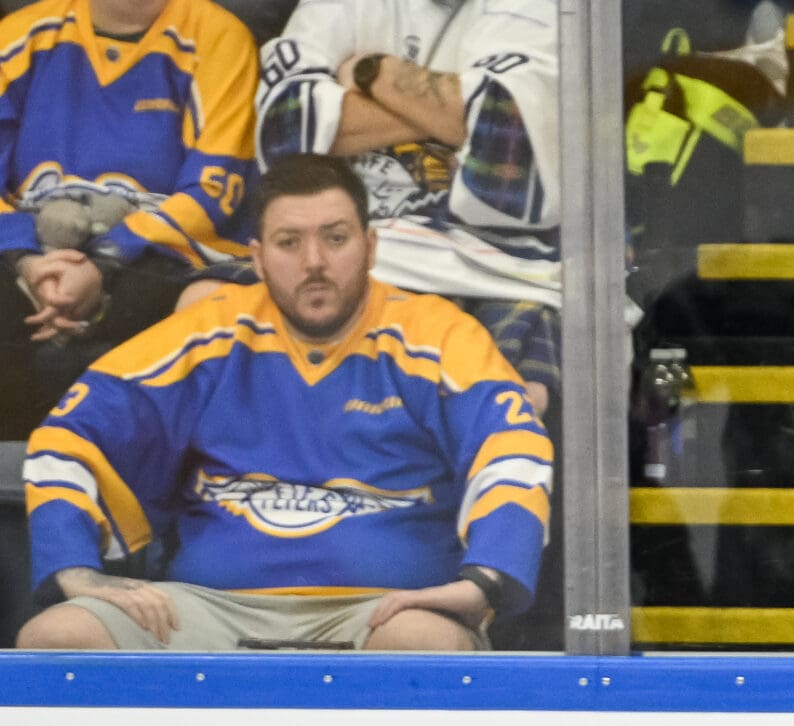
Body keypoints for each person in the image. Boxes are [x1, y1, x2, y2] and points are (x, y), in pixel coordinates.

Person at [20, 153, 552, 651]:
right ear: (257, 256)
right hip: (206, 612)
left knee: (421, 644)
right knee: (57, 637)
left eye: (336, 238)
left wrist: (484, 580)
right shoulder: (210, 331)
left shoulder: (435, 333)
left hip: (382, 612)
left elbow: (513, 445)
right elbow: (68, 435)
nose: (314, 262)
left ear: (371, 246)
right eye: (289, 242)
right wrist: (76, 568)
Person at [251, 0, 560, 413]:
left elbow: (507, 140)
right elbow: (285, 132)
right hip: (350, 245)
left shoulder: (535, 8)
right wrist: (450, 112)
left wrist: (372, 72)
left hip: (494, 263)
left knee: (512, 401)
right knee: (205, 301)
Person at [0, 0, 259, 438]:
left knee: (206, 303)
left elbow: (216, 190)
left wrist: (104, 263)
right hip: (30, 253)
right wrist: (28, 262)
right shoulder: (19, 37)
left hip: (156, 260)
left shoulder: (218, 36)